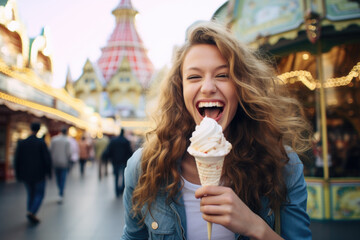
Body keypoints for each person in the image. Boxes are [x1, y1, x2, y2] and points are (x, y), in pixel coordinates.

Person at [121, 21, 313, 240]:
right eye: (194, 77)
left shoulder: (284, 165)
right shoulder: (143, 167)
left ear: (242, 86)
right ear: (180, 90)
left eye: (223, 75)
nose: (208, 87)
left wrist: (255, 226)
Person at [14, 122, 52, 224]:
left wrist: (17, 174)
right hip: (39, 174)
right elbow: (46, 159)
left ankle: (30, 211)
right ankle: (32, 211)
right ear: (39, 130)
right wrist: (49, 173)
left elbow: (17, 159)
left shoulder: (22, 143)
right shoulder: (41, 143)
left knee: (30, 193)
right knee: (39, 194)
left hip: (26, 174)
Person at [102, 129, 133, 197]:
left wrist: (107, 157)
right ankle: (122, 189)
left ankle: (116, 190)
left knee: (116, 176)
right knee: (124, 175)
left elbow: (109, 150)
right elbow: (129, 152)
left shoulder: (113, 141)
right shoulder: (126, 141)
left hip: (115, 161)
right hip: (124, 161)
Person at [50, 127, 71, 204]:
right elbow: (69, 153)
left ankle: (60, 190)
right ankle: (61, 193)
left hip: (55, 162)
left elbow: (50, 150)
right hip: (64, 163)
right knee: (63, 178)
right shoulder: (67, 141)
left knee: (58, 178)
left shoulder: (54, 139)